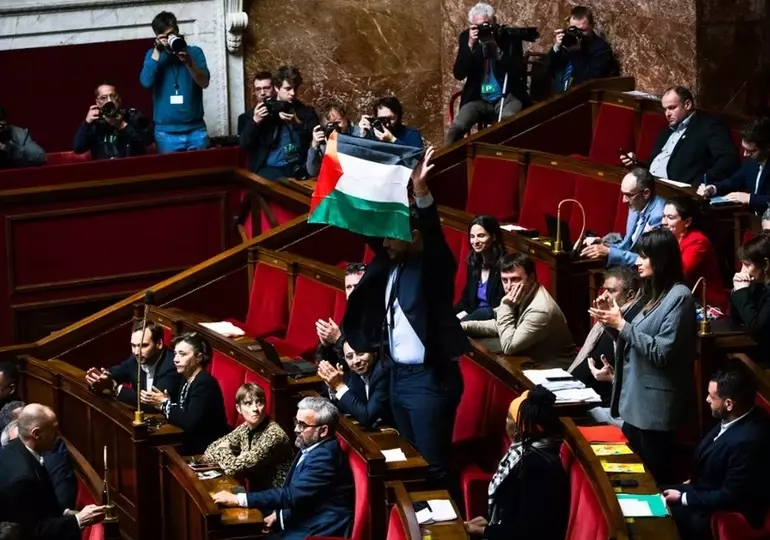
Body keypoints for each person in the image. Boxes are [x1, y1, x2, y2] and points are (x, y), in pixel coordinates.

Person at [342, 147, 468, 484]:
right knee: (410, 463)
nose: (383, 242)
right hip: (397, 375)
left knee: (433, 466)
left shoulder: (432, 267)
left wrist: (422, 192)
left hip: (429, 381)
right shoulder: (389, 262)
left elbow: (435, 237)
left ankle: (444, 533)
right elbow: (369, 229)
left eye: (391, 236)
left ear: (412, 237)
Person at [589, 228, 696, 483]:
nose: (638, 262)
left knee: (653, 483)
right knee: (632, 479)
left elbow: (661, 352)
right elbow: (631, 342)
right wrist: (610, 323)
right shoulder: (651, 295)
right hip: (634, 404)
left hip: (654, 411)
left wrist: (622, 325)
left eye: (645, 256)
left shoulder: (680, 297)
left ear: (662, 259)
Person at [212, 397, 354, 539]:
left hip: (317, 530)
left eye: (302, 425)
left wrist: (239, 500)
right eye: (296, 422)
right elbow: (304, 495)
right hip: (300, 518)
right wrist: (278, 516)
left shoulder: (325, 457)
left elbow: (291, 495)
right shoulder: (312, 444)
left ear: (323, 431)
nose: (296, 429)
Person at [662, 361, 770, 540]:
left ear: (729, 403)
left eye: (712, 397)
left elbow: (730, 497)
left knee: (650, 520)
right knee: (650, 493)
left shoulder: (748, 440)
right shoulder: (738, 415)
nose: (707, 400)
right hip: (702, 491)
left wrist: (683, 497)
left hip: (719, 513)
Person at [463, 386, 569, 540]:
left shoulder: (537, 468)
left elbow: (529, 530)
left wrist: (485, 531)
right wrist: (488, 522)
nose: (505, 422)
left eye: (508, 418)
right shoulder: (528, 453)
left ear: (520, 429)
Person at [0, 404, 105, 540]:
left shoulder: (14, 448)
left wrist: (64, 512)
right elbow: (34, 530)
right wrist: (78, 520)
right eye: (54, 429)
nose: (59, 434)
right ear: (36, 434)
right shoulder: (23, 479)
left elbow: (37, 506)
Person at [461, 252, 575, 368]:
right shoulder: (524, 294)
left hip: (553, 370)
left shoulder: (541, 310)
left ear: (531, 278)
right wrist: (463, 326)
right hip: (530, 360)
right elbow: (500, 325)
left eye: (515, 279)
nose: (509, 287)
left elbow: (509, 347)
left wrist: (506, 307)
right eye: (505, 280)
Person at [446, 2, 536, 145]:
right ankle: (448, 164)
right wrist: (470, 45)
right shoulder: (466, 37)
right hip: (478, 96)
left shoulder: (509, 37)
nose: (483, 29)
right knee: (457, 127)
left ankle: (502, 158)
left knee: (509, 121)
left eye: (486, 25)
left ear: (494, 21)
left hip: (506, 95)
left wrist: (497, 49)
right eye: (478, 26)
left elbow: (517, 69)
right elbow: (459, 74)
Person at [622, 87, 738, 186]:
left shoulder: (708, 126)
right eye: (665, 109)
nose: (667, 113)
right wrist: (635, 163)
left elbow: (727, 160)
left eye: (672, 108)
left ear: (687, 104)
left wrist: (700, 183)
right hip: (651, 185)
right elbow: (653, 165)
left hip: (677, 193)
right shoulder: (666, 132)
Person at [569, 267, 641, 419]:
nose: (603, 296)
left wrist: (613, 378)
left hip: (598, 403)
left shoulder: (630, 324)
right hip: (576, 391)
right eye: (604, 290)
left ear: (630, 295)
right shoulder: (606, 320)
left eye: (611, 291)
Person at [140, 332, 229, 455]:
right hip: (191, 443)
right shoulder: (186, 378)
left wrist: (164, 404)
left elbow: (189, 422)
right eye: (175, 354)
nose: (175, 359)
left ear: (199, 357)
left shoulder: (204, 383)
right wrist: (167, 403)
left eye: (182, 354)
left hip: (207, 449)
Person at [139, 11, 210, 153]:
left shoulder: (194, 52)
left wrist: (189, 63)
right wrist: (157, 51)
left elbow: (204, 83)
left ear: (177, 31)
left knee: (202, 174)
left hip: (196, 131)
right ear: (157, 37)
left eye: (171, 34)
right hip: (166, 134)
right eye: (164, 36)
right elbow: (145, 82)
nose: (168, 39)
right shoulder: (153, 55)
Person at [202, 383, 293, 490]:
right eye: (248, 403)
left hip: (277, 498)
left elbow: (233, 469)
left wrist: (223, 449)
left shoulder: (273, 434)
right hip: (257, 494)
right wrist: (236, 458)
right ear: (239, 408)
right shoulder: (245, 428)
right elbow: (209, 452)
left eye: (259, 402)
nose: (255, 408)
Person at [240, 66, 319, 180]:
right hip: (269, 169)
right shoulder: (261, 112)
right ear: (276, 88)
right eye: (288, 89)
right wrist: (256, 121)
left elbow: (315, 142)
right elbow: (245, 145)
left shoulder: (306, 112)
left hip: (298, 167)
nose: (292, 93)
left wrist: (296, 124)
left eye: (295, 88)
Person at [84, 320, 182, 412]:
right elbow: (116, 372)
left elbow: (152, 405)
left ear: (159, 344)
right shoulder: (136, 358)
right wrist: (100, 378)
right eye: (133, 345)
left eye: (143, 346)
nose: (136, 352)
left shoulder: (172, 365)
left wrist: (115, 388)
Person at [581, 168, 666, 267]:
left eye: (628, 195)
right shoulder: (637, 204)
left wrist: (609, 252)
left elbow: (646, 260)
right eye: (623, 194)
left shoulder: (659, 216)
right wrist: (604, 244)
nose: (624, 200)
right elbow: (628, 245)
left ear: (646, 193)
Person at [662, 195, 728, 311]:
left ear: (687, 222)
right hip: (682, 300)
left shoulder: (698, 241)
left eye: (670, 218)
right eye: (664, 216)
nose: (664, 222)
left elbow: (680, 274)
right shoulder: (670, 237)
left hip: (707, 305)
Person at [698, 116, 770, 215]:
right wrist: (713, 188)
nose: (745, 154)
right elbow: (733, 181)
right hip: (753, 220)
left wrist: (749, 198)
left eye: (751, 151)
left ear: (767, 148)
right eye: (744, 149)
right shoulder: (750, 162)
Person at [317, 341, 391, 429]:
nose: (356, 361)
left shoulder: (383, 371)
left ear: (374, 352)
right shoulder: (355, 373)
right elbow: (352, 408)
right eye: (349, 357)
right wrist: (334, 388)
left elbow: (367, 417)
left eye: (361, 354)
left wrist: (339, 386)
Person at [73, 83, 153, 160]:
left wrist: (122, 125)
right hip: (104, 171)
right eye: (103, 98)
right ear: (97, 103)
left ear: (119, 98)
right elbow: (78, 148)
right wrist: (87, 123)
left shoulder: (131, 116)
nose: (109, 101)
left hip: (132, 169)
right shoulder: (95, 123)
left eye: (113, 96)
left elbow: (146, 143)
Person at [547, 6, 616, 94]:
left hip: (581, 98)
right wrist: (556, 47)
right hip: (558, 95)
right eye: (574, 30)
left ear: (592, 26)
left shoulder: (601, 49)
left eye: (583, 30)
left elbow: (588, 83)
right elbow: (547, 70)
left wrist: (575, 52)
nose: (578, 34)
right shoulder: (568, 40)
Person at [455, 215, 506, 322]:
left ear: (494, 237)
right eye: (472, 236)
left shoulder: (504, 265)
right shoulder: (473, 264)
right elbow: (466, 299)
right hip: (473, 314)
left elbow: (497, 307)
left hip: (492, 318)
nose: (475, 241)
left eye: (481, 236)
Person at [315, 262, 366, 366]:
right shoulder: (351, 313)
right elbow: (337, 361)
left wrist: (338, 339)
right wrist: (327, 344)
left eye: (356, 286)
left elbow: (358, 363)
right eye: (348, 287)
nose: (352, 292)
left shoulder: (378, 317)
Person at [731, 234, 770, 366]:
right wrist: (738, 290)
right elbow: (737, 318)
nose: (743, 270)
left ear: (765, 264)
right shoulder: (759, 286)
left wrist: (741, 292)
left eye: (747, 265)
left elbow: (756, 328)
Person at [306, 102, 354, 176]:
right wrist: (314, 145)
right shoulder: (323, 141)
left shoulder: (357, 133)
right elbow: (312, 172)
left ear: (346, 118)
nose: (335, 129)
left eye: (337, 123)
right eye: (330, 125)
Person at [357, 96, 423, 148]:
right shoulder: (372, 136)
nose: (387, 124)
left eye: (391, 118)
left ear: (399, 116)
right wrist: (363, 135)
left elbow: (414, 160)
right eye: (382, 119)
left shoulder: (412, 134)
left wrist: (392, 140)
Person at [237, 71, 274, 137]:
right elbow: (244, 145)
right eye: (258, 89)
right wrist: (255, 121)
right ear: (254, 92)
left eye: (267, 88)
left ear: (275, 89)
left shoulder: (283, 111)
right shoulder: (244, 118)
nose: (262, 93)